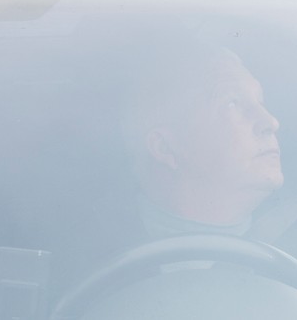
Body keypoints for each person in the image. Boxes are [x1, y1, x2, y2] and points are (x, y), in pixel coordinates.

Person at [120, 44, 284, 235]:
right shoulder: (88, 254)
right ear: (165, 148)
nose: (271, 122)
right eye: (232, 103)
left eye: (260, 102)